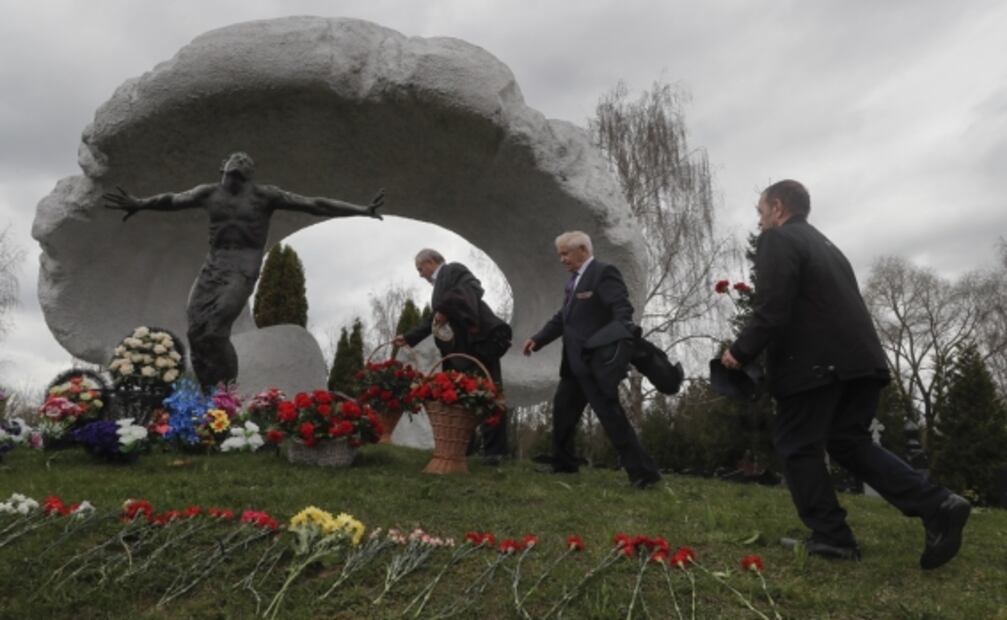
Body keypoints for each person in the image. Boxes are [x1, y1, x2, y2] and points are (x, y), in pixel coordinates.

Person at [721, 180, 969, 569]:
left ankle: (833, 538)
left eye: (761, 211)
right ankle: (937, 504)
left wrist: (739, 350)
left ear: (779, 207)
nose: (760, 221)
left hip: (815, 364)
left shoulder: (779, 240)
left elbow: (774, 307)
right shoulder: (828, 247)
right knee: (849, 441)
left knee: (797, 445)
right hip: (862, 360)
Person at [104, 152, 384, 392]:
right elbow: (172, 200)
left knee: (214, 331)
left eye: (246, 160)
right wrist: (139, 203)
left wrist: (362, 210)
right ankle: (209, 394)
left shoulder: (264, 196)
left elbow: (314, 204)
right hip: (212, 267)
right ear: (222, 167)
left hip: (242, 269)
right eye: (235, 157)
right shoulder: (208, 193)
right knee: (195, 332)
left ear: (250, 173)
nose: (240, 159)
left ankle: (226, 395)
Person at [522, 231, 661, 488]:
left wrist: (617, 341)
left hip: (596, 364)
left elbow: (622, 310)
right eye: (560, 255)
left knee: (611, 417)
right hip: (573, 365)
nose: (562, 259)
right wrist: (538, 339)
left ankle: (644, 474)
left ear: (583, 250)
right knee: (562, 412)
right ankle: (564, 464)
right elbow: (564, 317)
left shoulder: (603, 272)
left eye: (565, 254)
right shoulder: (573, 281)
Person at [394, 249, 512, 463]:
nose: (420, 274)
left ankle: (496, 452)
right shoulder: (441, 285)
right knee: (465, 397)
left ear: (430, 261)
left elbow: (473, 288)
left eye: (420, 269)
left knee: (490, 394)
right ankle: (464, 449)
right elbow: (435, 317)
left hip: (481, 343)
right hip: (463, 350)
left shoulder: (453, 269)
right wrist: (409, 337)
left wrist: (445, 310)